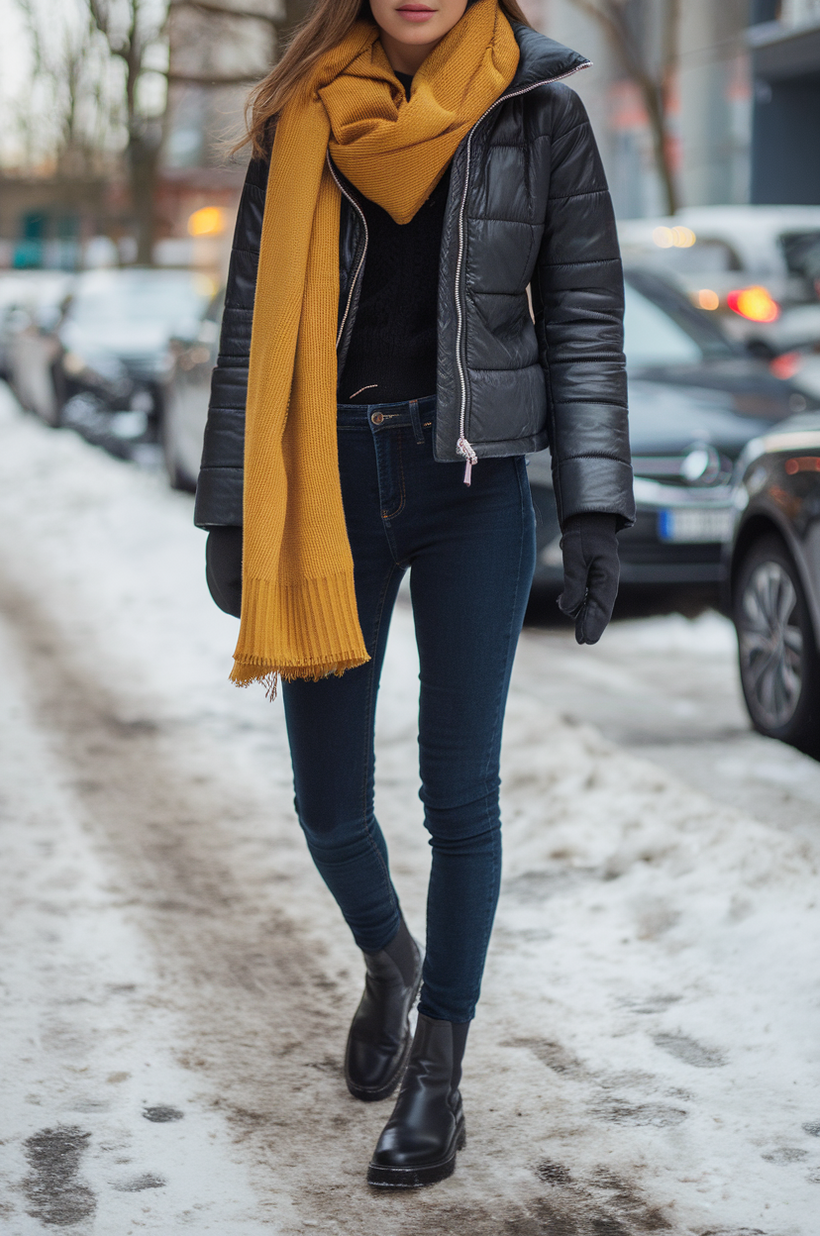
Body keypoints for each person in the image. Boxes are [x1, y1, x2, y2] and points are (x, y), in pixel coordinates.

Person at [195, 0, 634, 1189]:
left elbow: (584, 321)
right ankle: (389, 960)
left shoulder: (537, 114)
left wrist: (592, 503)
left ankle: (439, 1069)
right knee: (328, 802)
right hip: (320, 486)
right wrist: (230, 504)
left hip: (471, 487)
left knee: (460, 798)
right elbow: (249, 331)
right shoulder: (299, 119)